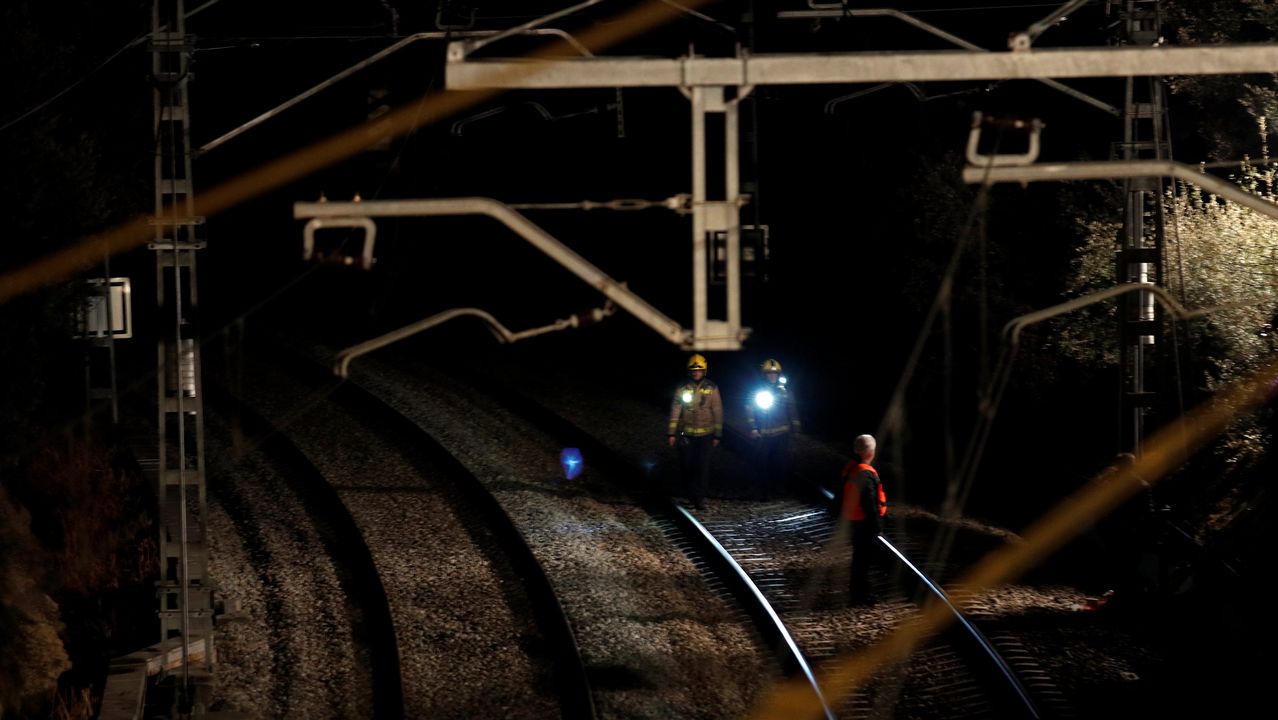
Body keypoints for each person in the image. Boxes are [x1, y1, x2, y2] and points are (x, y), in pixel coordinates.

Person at [667, 353, 723, 510]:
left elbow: (717, 410)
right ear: (689, 371)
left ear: (704, 371)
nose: (696, 373)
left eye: (699, 370)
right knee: (687, 465)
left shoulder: (712, 387)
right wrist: (671, 433)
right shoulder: (682, 388)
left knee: (702, 466)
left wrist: (718, 434)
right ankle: (690, 493)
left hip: (706, 435)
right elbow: (675, 409)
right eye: (693, 370)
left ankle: (700, 498)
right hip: (687, 435)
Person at [746, 358, 802, 499]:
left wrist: (796, 430)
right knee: (762, 463)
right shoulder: (757, 392)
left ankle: (780, 490)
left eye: (775, 373)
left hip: (782, 434)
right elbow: (749, 410)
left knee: (780, 463)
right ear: (764, 375)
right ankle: (763, 491)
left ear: (778, 375)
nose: (772, 376)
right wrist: (753, 428)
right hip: (763, 434)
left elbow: (792, 411)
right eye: (769, 373)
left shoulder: (784, 392)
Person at [841, 434, 887, 605]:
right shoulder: (865, 473)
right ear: (870, 452)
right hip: (863, 523)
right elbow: (869, 502)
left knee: (859, 560)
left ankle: (858, 592)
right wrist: (877, 526)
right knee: (863, 561)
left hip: (853, 520)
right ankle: (861, 595)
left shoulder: (851, 468)